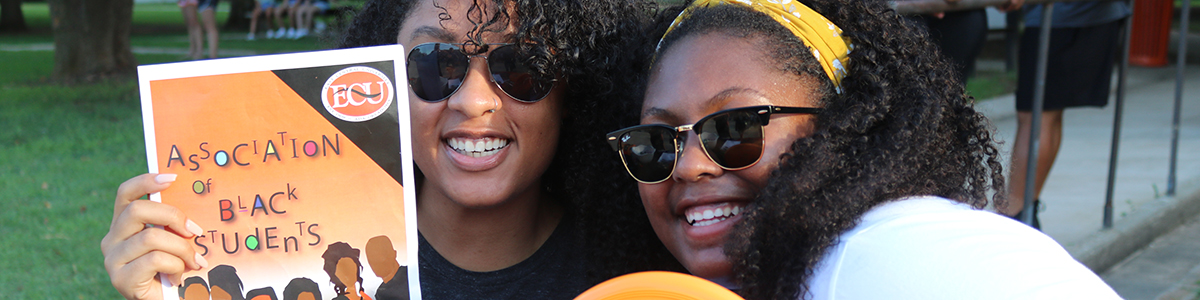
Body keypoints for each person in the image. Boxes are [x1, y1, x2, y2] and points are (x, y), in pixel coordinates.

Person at [100, 0, 661, 299]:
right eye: (435, 64)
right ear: (380, 74)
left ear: (575, 89)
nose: (473, 102)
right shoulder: (309, 259)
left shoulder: (637, 273)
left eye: (521, 66)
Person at [601, 0, 1121, 298]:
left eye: (737, 127)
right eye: (656, 142)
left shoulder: (889, 256)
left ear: (847, 126)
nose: (689, 166)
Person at [1002, 0, 1131, 228]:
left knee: (1035, 115)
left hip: (1067, 17)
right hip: (1076, 16)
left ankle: (1017, 215)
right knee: (1046, 113)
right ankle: (1024, 211)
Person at [364, 236, 408, 300]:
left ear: (394, 254)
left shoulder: (410, 275)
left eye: (379, 257)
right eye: (371, 259)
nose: (375, 263)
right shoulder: (380, 293)